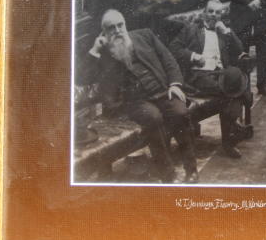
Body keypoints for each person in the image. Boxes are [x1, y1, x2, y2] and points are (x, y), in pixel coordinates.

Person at [84, 9, 198, 183]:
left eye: (120, 25)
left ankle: (191, 170)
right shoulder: (104, 52)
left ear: (125, 24)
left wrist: (174, 84)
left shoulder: (144, 35)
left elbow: (168, 59)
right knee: (154, 118)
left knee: (180, 112)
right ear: (104, 32)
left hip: (162, 91)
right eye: (111, 28)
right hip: (135, 101)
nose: (117, 30)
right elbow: (84, 77)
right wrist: (95, 49)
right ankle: (167, 174)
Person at [169, 0, 251, 159]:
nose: (213, 15)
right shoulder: (191, 29)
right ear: (204, 13)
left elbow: (240, 50)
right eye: (211, 11)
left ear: (221, 15)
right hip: (199, 75)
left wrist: (227, 32)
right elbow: (173, 48)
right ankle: (231, 136)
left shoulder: (223, 32)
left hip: (219, 74)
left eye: (217, 12)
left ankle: (230, 138)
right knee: (234, 90)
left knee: (230, 88)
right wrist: (193, 56)